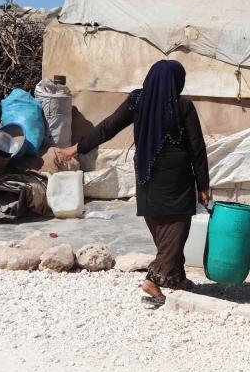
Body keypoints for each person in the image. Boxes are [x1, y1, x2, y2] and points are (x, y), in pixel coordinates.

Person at [58, 60, 210, 305]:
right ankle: (153, 280)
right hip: (177, 182)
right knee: (176, 232)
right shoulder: (182, 106)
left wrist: (77, 148)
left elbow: (108, 127)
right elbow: (197, 149)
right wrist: (203, 184)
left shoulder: (137, 100)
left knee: (164, 234)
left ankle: (176, 278)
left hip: (147, 178)